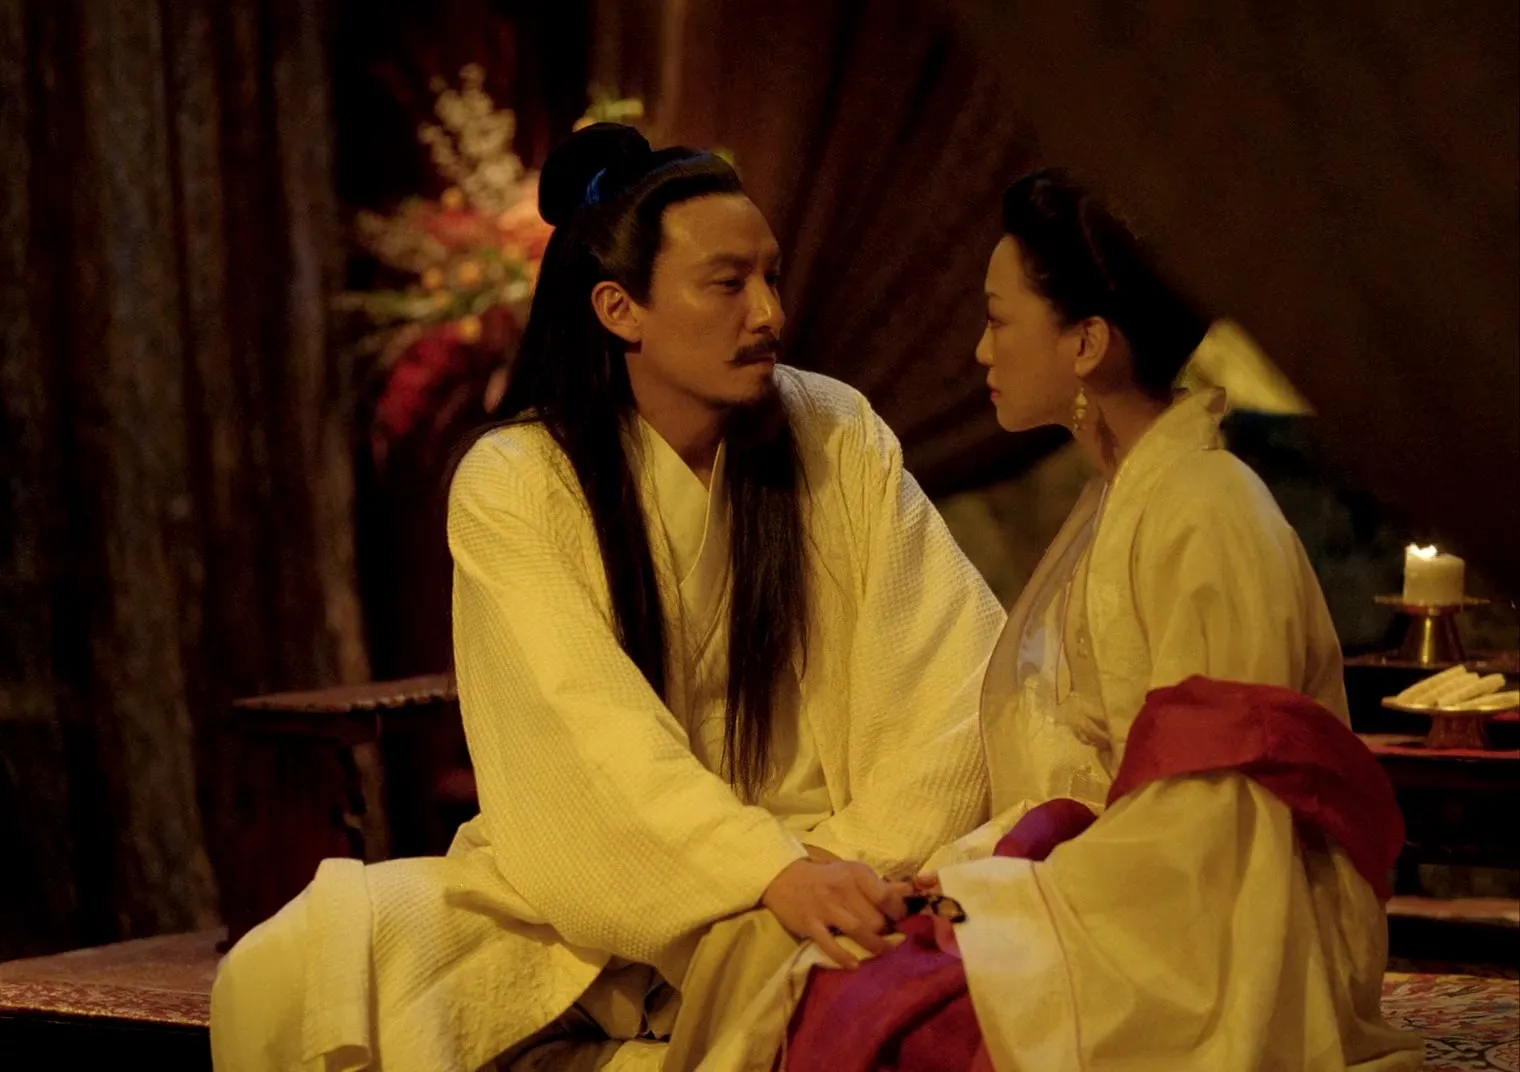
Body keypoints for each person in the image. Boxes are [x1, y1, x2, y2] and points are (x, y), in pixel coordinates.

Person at [209, 124, 1004, 1071]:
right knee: (284, 977)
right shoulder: (520, 480)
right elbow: (585, 732)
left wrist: (832, 870)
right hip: (589, 891)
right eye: (727, 284)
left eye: (771, 277)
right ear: (620, 308)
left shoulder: (835, 430)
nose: (768, 313)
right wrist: (759, 871)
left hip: (840, 865)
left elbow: (954, 689)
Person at [694, 170, 1425, 1070]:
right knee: (792, 959)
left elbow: (1213, 819)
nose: (980, 351)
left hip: (1200, 930)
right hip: (1104, 890)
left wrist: (1005, 895)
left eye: (999, 320)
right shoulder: (1122, 498)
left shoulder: (1206, 512)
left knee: (874, 1017)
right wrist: (976, 870)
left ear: (1087, 343)